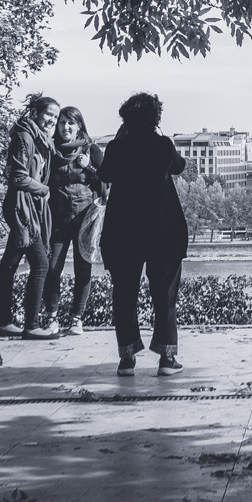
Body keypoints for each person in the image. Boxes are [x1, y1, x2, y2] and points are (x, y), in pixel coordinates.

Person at [98, 92, 189, 376]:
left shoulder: (116, 147)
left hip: (123, 230)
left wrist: (121, 140)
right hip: (162, 229)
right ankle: (166, 359)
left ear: (125, 119)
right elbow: (179, 166)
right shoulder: (162, 144)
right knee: (165, 295)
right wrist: (160, 136)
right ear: (155, 118)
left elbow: (104, 174)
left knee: (124, 294)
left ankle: (127, 359)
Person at [0, 95, 58, 339]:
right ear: (35, 113)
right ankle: (32, 326)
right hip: (22, 208)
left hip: (28, 206)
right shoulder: (24, 136)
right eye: (49, 114)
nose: (52, 120)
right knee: (41, 264)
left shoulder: (40, 139)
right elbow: (18, 176)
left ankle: (4, 322)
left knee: (10, 264)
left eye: (55, 116)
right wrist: (44, 190)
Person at [42, 106, 106, 335]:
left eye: (71, 123)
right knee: (52, 268)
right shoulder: (50, 149)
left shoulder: (90, 148)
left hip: (85, 219)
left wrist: (88, 166)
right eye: (62, 122)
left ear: (79, 126)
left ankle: (77, 319)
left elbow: (107, 180)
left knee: (83, 268)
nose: (65, 127)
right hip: (58, 220)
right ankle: (51, 318)